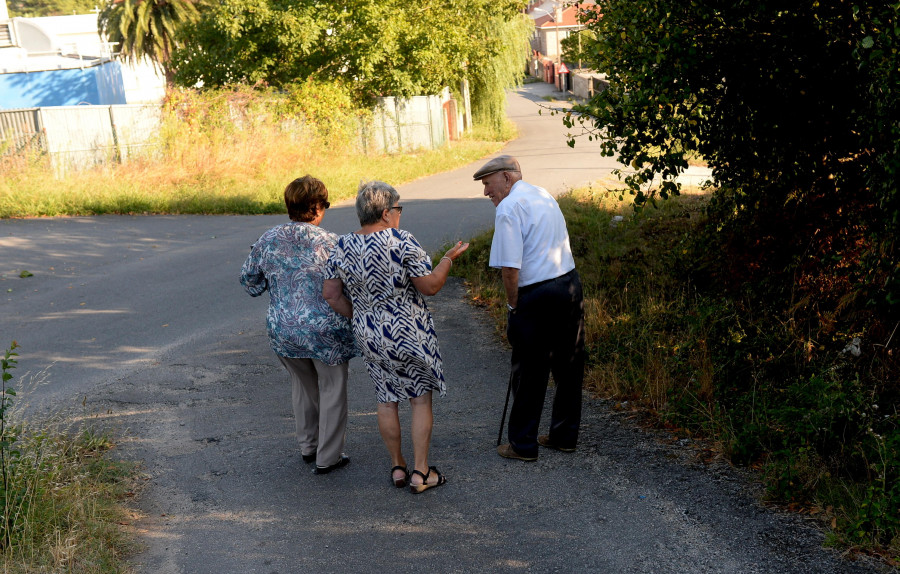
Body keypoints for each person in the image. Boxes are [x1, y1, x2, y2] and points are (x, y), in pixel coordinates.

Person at [323, 180, 468, 493]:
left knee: (386, 400)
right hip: (409, 331)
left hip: (369, 333)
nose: (400, 214)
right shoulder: (401, 240)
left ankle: (397, 466)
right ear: (386, 213)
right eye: (398, 209)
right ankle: (421, 472)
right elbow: (429, 285)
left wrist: (362, 316)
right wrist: (447, 260)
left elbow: (332, 294)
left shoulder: (342, 246)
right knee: (419, 399)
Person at [240, 175, 358, 475]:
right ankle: (328, 457)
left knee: (303, 386)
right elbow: (352, 286)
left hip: (283, 329)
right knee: (332, 389)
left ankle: (308, 446)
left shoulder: (268, 239)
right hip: (325, 331)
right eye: (326, 204)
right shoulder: (332, 243)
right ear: (317, 207)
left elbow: (250, 283)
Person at [474, 155, 585, 462]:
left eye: (488, 184)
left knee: (529, 370)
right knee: (568, 364)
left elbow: (510, 268)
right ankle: (564, 436)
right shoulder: (543, 194)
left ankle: (523, 445)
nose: (486, 192)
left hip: (537, 293)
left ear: (507, 178)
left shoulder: (510, 207)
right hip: (569, 285)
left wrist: (513, 306)